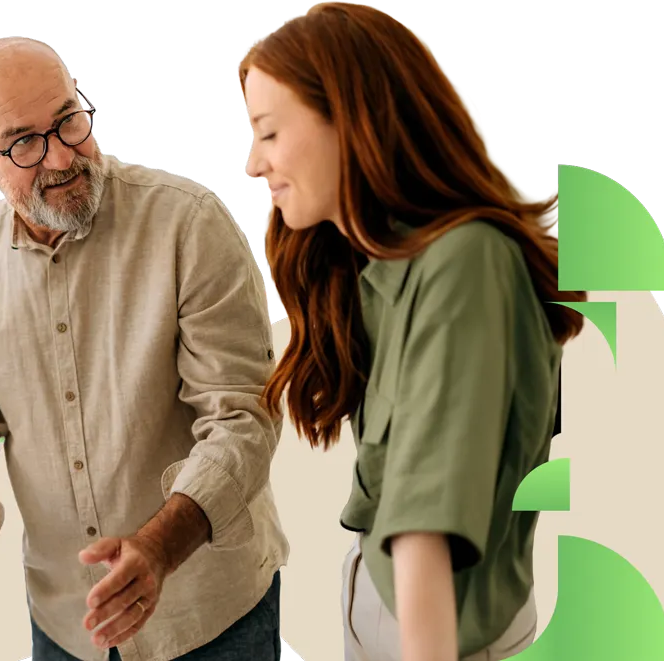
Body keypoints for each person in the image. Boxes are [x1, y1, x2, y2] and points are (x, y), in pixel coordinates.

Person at [0, 37, 290, 661]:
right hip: (64, 622)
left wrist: (160, 546)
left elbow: (244, 415)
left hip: (210, 614)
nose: (61, 157)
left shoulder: (189, 224)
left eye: (68, 121)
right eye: (22, 141)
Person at [239, 3, 586, 661]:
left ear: (351, 119)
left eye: (269, 132)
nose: (255, 164)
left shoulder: (465, 264)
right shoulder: (385, 265)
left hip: (434, 633)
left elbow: (427, 528)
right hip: (384, 607)